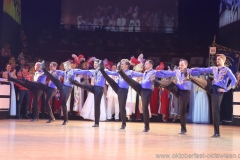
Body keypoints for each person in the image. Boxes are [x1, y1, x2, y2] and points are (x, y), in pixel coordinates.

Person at [187, 54, 237, 138]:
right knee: (202, 82)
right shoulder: (214, 68)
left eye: (219, 59)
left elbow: (234, 81)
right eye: (216, 59)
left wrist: (226, 89)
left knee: (215, 111)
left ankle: (217, 132)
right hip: (212, 87)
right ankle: (189, 76)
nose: (217, 61)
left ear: (223, 60)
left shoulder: (227, 70)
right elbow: (203, 70)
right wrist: (194, 69)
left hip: (218, 91)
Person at [100, 59, 143, 129]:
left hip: (124, 90)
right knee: (110, 80)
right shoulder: (119, 71)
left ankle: (123, 123)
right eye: (121, 64)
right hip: (118, 88)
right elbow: (112, 73)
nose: (121, 65)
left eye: (123, 64)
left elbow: (139, 74)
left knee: (121, 106)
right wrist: (105, 70)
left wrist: (146, 74)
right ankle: (102, 70)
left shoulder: (130, 72)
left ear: (127, 65)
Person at [153, 59, 192, 134]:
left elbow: (201, 71)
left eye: (182, 65)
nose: (180, 66)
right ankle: (157, 83)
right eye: (180, 65)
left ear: (186, 65)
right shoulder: (177, 72)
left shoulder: (190, 71)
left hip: (185, 93)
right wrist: (156, 72)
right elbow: (167, 73)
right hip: (177, 90)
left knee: (182, 110)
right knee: (170, 83)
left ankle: (183, 128)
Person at [118, 60, 155, 132]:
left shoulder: (153, 72)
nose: (145, 65)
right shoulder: (145, 73)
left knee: (144, 107)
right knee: (131, 82)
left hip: (147, 90)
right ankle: (146, 127)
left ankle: (146, 127)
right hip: (141, 88)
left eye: (146, 64)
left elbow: (162, 74)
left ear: (151, 65)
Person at [69, 59, 105, 127]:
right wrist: (74, 71)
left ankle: (96, 122)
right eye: (94, 63)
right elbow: (84, 71)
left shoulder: (103, 71)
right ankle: (73, 82)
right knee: (84, 85)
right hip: (94, 87)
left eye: (96, 63)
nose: (94, 65)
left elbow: (112, 73)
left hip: (100, 89)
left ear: (99, 64)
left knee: (96, 105)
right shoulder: (93, 71)